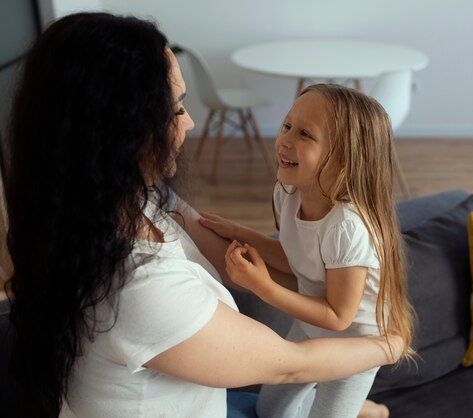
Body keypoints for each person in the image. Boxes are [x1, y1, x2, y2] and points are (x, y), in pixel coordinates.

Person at [3, 13, 403, 417]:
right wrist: (389, 346)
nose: (191, 122)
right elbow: (288, 366)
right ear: (123, 130)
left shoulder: (118, 202)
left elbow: (247, 252)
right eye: (177, 108)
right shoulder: (140, 289)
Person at [198, 84, 416, 418]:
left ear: (343, 158)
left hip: (354, 349)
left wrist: (263, 287)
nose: (284, 139)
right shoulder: (287, 194)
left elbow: (338, 316)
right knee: (271, 411)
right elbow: (299, 259)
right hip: (311, 328)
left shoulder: (347, 227)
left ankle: (367, 411)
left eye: (304, 134)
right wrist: (239, 232)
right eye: (287, 126)